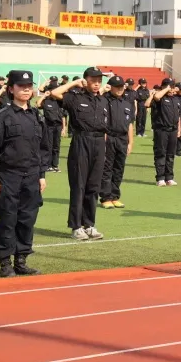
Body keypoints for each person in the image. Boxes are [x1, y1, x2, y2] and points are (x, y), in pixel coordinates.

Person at [0, 70, 50, 277]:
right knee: (7, 219)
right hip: (8, 176)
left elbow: (43, 148)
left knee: (27, 219)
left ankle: (21, 260)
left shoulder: (36, 116)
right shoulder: (2, 116)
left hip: (32, 176)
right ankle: (5, 263)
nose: (26, 89)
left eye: (29, 86)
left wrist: (42, 174)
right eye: (21, 86)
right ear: (11, 89)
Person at [51, 68, 109, 241]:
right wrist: (75, 83)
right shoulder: (75, 98)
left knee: (93, 187)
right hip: (81, 142)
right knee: (79, 186)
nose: (97, 83)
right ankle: (76, 226)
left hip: (99, 143)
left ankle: (89, 225)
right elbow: (54, 93)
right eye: (93, 79)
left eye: (99, 80)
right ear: (86, 80)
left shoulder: (103, 100)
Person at [99, 76, 135, 209]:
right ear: (111, 87)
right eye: (117, 86)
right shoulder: (104, 100)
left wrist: (131, 142)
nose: (120, 89)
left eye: (121, 86)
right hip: (108, 137)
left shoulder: (127, 103)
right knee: (107, 168)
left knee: (119, 168)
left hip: (122, 139)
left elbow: (130, 124)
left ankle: (115, 196)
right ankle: (106, 197)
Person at [149, 79, 180, 186]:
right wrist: (166, 88)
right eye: (170, 87)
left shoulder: (175, 99)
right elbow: (156, 97)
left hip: (173, 130)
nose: (172, 89)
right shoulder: (160, 98)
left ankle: (169, 177)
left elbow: (178, 116)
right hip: (161, 130)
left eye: (173, 87)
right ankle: (160, 178)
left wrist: (179, 129)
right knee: (161, 154)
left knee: (170, 155)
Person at [36, 85, 65, 174]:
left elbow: (63, 116)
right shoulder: (46, 101)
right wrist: (44, 95)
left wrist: (64, 128)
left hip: (58, 126)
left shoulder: (59, 102)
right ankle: (47, 165)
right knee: (48, 146)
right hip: (48, 126)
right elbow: (37, 105)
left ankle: (55, 165)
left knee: (56, 146)